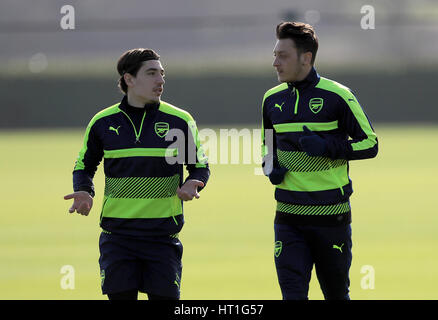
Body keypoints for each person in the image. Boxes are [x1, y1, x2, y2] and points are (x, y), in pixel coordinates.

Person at [64, 48, 210, 300]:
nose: (161, 80)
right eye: (152, 73)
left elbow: (200, 166)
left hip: (162, 239)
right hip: (117, 238)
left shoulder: (180, 120)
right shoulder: (102, 122)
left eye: (162, 74)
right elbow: (84, 166)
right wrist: (85, 190)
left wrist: (194, 183)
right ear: (129, 79)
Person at [261, 22, 378, 300]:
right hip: (287, 218)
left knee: (336, 296)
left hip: (331, 218)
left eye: (283, 56)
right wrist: (270, 167)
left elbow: (370, 144)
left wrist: (327, 146)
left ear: (306, 57)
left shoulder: (338, 95)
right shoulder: (270, 99)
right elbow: (267, 148)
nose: (275, 62)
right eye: (275, 55)